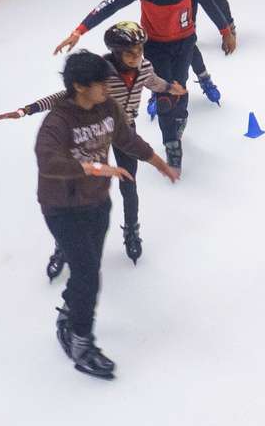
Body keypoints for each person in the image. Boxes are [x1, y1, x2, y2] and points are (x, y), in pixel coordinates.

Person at [35, 50, 178, 379]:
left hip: (97, 203)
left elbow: (127, 139)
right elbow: (48, 161)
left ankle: (69, 312)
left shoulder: (108, 107)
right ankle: (81, 342)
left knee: (87, 270)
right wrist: (93, 167)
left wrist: (159, 163)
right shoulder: (58, 121)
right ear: (79, 86)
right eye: (101, 83)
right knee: (88, 276)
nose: (107, 88)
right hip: (61, 208)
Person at [0, 21, 175, 267]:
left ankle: (131, 229)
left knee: (129, 184)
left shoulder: (143, 67)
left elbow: (152, 80)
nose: (137, 57)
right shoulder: (98, 72)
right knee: (74, 191)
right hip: (89, 128)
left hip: (122, 128)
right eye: (130, 52)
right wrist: (27, 109)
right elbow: (65, 96)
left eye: (140, 50)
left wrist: (169, 88)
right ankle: (63, 245)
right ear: (115, 52)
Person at [55, 0, 234, 171]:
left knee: (180, 87)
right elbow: (109, 5)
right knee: (164, 95)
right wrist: (79, 31)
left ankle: (179, 119)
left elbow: (207, 2)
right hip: (156, 47)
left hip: (185, 42)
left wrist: (225, 30)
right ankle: (171, 142)